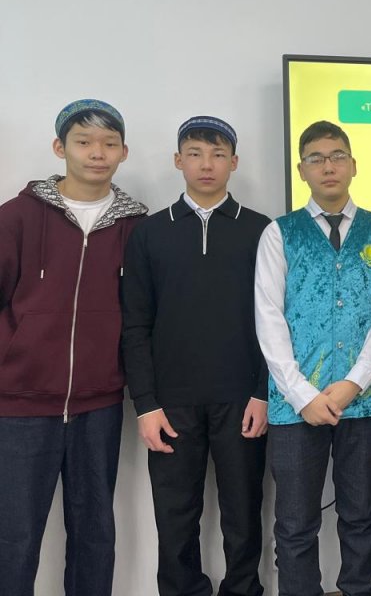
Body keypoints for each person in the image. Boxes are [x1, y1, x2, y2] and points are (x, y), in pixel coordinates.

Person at [0, 98, 147, 596]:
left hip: (99, 405)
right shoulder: (17, 217)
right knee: (15, 537)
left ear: (124, 152)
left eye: (109, 143)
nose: (96, 153)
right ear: (60, 147)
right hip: (19, 405)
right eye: (84, 142)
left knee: (95, 534)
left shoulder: (137, 228)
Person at [121, 116, 270, 596]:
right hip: (171, 403)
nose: (207, 164)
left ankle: (243, 590)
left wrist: (263, 392)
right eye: (195, 153)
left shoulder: (262, 231)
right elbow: (135, 324)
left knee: (243, 514)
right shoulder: (149, 233)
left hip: (242, 399)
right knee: (175, 516)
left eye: (218, 154)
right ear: (178, 160)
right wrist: (145, 404)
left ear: (234, 162)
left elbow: (276, 321)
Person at [254, 120, 371, 596]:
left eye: (337, 156)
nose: (328, 166)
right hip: (294, 404)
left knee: (360, 514)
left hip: (364, 400)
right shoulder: (279, 234)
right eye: (316, 158)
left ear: (353, 165)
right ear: (302, 170)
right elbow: (268, 317)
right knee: (295, 521)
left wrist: (355, 382)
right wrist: (302, 394)